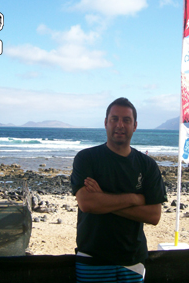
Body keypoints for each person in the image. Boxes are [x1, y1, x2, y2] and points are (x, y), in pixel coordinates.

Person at [71, 97, 167, 282]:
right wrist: (134, 199)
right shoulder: (86, 158)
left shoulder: (147, 166)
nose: (120, 125)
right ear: (106, 123)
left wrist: (103, 199)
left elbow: (153, 216)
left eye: (126, 120)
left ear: (135, 125)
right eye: (114, 119)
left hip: (132, 261)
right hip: (93, 258)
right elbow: (87, 203)